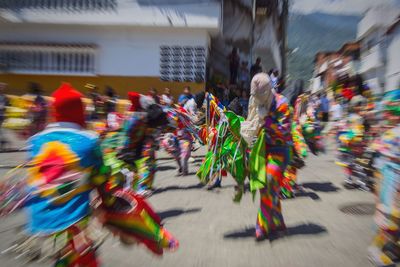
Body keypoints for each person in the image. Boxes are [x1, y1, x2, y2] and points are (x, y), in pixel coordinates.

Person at [242, 73, 292, 240]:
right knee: (270, 188)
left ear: (269, 91)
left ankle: (261, 226)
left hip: (280, 150)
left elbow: (285, 131)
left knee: (269, 182)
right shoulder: (255, 101)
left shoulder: (282, 104)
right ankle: (278, 223)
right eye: (254, 96)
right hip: (263, 150)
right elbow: (251, 122)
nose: (257, 99)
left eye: (260, 95)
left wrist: (267, 121)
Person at [368, 89, 400, 266]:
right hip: (391, 178)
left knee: (396, 218)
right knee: (389, 215)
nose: (395, 115)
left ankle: (393, 247)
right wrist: (378, 190)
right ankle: (377, 249)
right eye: (393, 111)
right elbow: (379, 165)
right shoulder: (389, 135)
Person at [0, 83, 9, 150]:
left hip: (1, 115)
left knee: (1, 130)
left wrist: (6, 115)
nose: (2, 88)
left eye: (3, 87)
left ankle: (3, 143)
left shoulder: (4, 97)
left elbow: (6, 107)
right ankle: (3, 142)